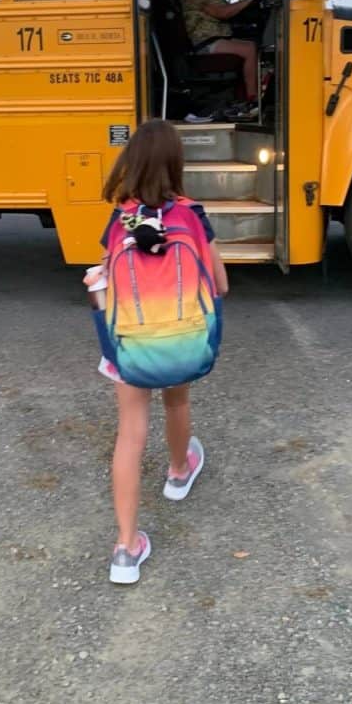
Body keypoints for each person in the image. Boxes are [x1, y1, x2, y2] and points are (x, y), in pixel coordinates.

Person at [97, 119, 229, 584]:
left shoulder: (120, 219)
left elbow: (105, 283)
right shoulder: (192, 214)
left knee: (130, 433)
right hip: (180, 336)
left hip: (129, 343)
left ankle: (126, 550)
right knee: (177, 400)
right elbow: (220, 284)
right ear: (176, 163)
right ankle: (178, 473)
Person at [182, 0, 262, 114]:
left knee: (250, 43)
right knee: (250, 49)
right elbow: (223, 12)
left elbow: (231, 11)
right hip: (205, 42)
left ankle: (243, 98)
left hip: (214, 38)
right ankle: (252, 100)